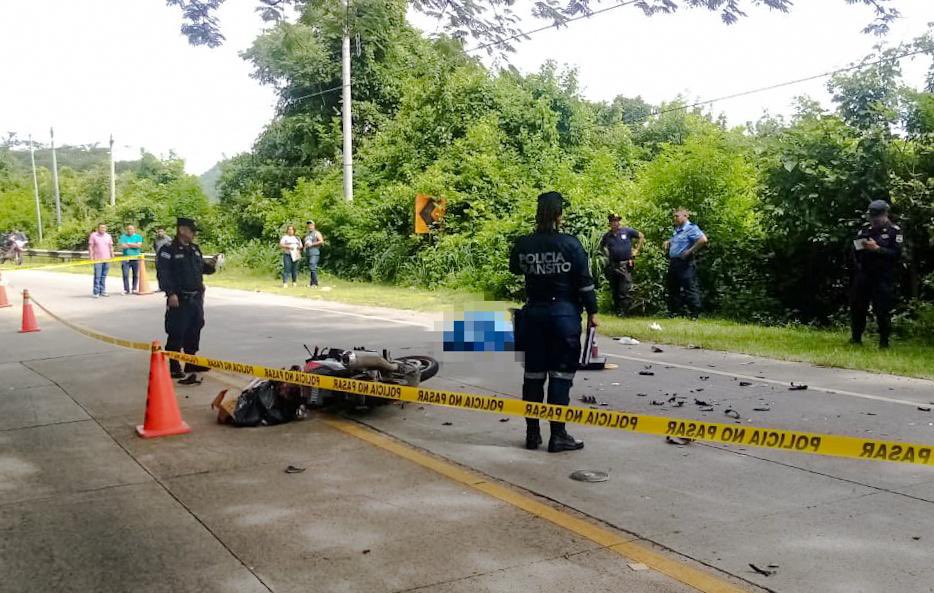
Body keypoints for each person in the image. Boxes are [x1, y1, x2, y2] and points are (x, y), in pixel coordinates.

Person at [510, 191, 597, 453]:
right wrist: (593, 312)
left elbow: (515, 268)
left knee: (533, 376)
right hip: (563, 315)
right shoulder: (570, 244)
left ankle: (532, 433)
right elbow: (585, 282)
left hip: (533, 315)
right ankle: (558, 435)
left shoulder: (524, 243)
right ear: (560, 215)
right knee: (560, 376)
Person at [156, 217, 217, 383]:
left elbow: (201, 269)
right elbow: (163, 272)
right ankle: (174, 366)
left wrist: (211, 265)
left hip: (196, 298)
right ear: (182, 230)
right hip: (179, 298)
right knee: (177, 331)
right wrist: (170, 293)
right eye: (192, 231)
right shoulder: (168, 250)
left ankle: (191, 362)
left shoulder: (194, 249)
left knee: (195, 328)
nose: (194, 234)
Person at [850, 200, 902, 348]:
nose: (874, 220)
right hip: (865, 274)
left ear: (885, 214)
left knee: (882, 309)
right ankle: (856, 339)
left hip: (883, 276)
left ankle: (884, 342)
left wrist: (877, 249)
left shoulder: (894, 231)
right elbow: (856, 252)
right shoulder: (865, 230)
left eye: (877, 217)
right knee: (858, 307)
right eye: (871, 217)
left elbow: (896, 254)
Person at [663, 208, 708, 319]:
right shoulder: (678, 230)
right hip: (674, 262)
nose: (675, 218)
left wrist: (690, 251)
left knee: (689, 287)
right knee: (673, 287)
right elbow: (677, 241)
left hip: (685, 263)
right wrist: (668, 242)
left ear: (685, 216)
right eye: (674, 216)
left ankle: (695, 313)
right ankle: (674, 312)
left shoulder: (691, 228)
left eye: (677, 216)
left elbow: (703, 240)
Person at [599, 214, 644, 317]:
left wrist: (636, 250)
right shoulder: (607, 236)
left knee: (624, 290)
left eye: (617, 221)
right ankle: (617, 311)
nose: (615, 223)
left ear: (619, 222)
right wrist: (607, 255)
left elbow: (641, 236)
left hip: (625, 265)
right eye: (613, 221)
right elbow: (602, 247)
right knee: (615, 290)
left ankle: (625, 312)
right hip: (613, 265)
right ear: (609, 223)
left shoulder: (627, 231)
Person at [88, 223, 114, 298]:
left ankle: (103, 291)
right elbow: (90, 246)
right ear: (98, 228)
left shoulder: (108, 236)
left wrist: (112, 255)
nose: (103, 229)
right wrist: (91, 257)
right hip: (97, 259)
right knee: (97, 276)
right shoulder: (93, 235)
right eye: (101, 227)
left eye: (104, 228)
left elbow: (110, 246)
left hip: (107, 258)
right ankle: (96, 292)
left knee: (104, 276)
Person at [118, 224, 143, 295]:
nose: (129, 230)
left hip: (135, 258)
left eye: (131, 229)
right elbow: (123, 246)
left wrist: (128, 243)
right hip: (125, 258)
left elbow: (138, 245)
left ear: (134, 229)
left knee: (135, 274)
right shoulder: (123, 237)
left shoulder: (138, 236)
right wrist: (133, 245)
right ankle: (126, 289)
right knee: (125, 274)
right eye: (128, 229)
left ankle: (134, 288)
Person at [303, 220, 325, 287]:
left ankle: (315, 283)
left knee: (312, 266)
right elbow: (306, 244)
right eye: (308, 225)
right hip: (308, 253)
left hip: (315, 253)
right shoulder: (307, 235)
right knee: (311, 267)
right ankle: (312, 283)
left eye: (311, 225)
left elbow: (321, 241)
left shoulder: (316, 233)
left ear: (314, 226)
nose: (310, 226)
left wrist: (312, 244)